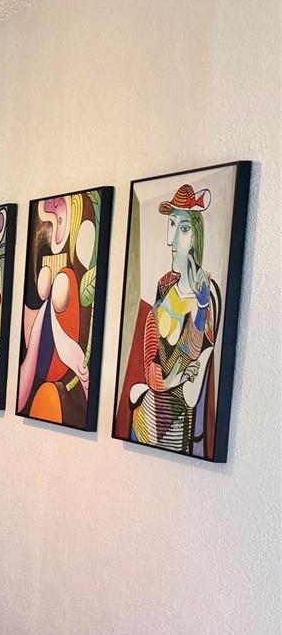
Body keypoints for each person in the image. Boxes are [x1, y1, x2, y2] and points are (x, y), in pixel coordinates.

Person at [126, 184, 221, 454]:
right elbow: (150, 351)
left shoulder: (205, 292)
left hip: (175, 420)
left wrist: (201, 306)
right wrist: (164, 381)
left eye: (183, 228)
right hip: (146, 413)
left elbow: (194, 350)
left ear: (195, 236)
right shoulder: (164, 285)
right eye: (171, 225)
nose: (173, 240)